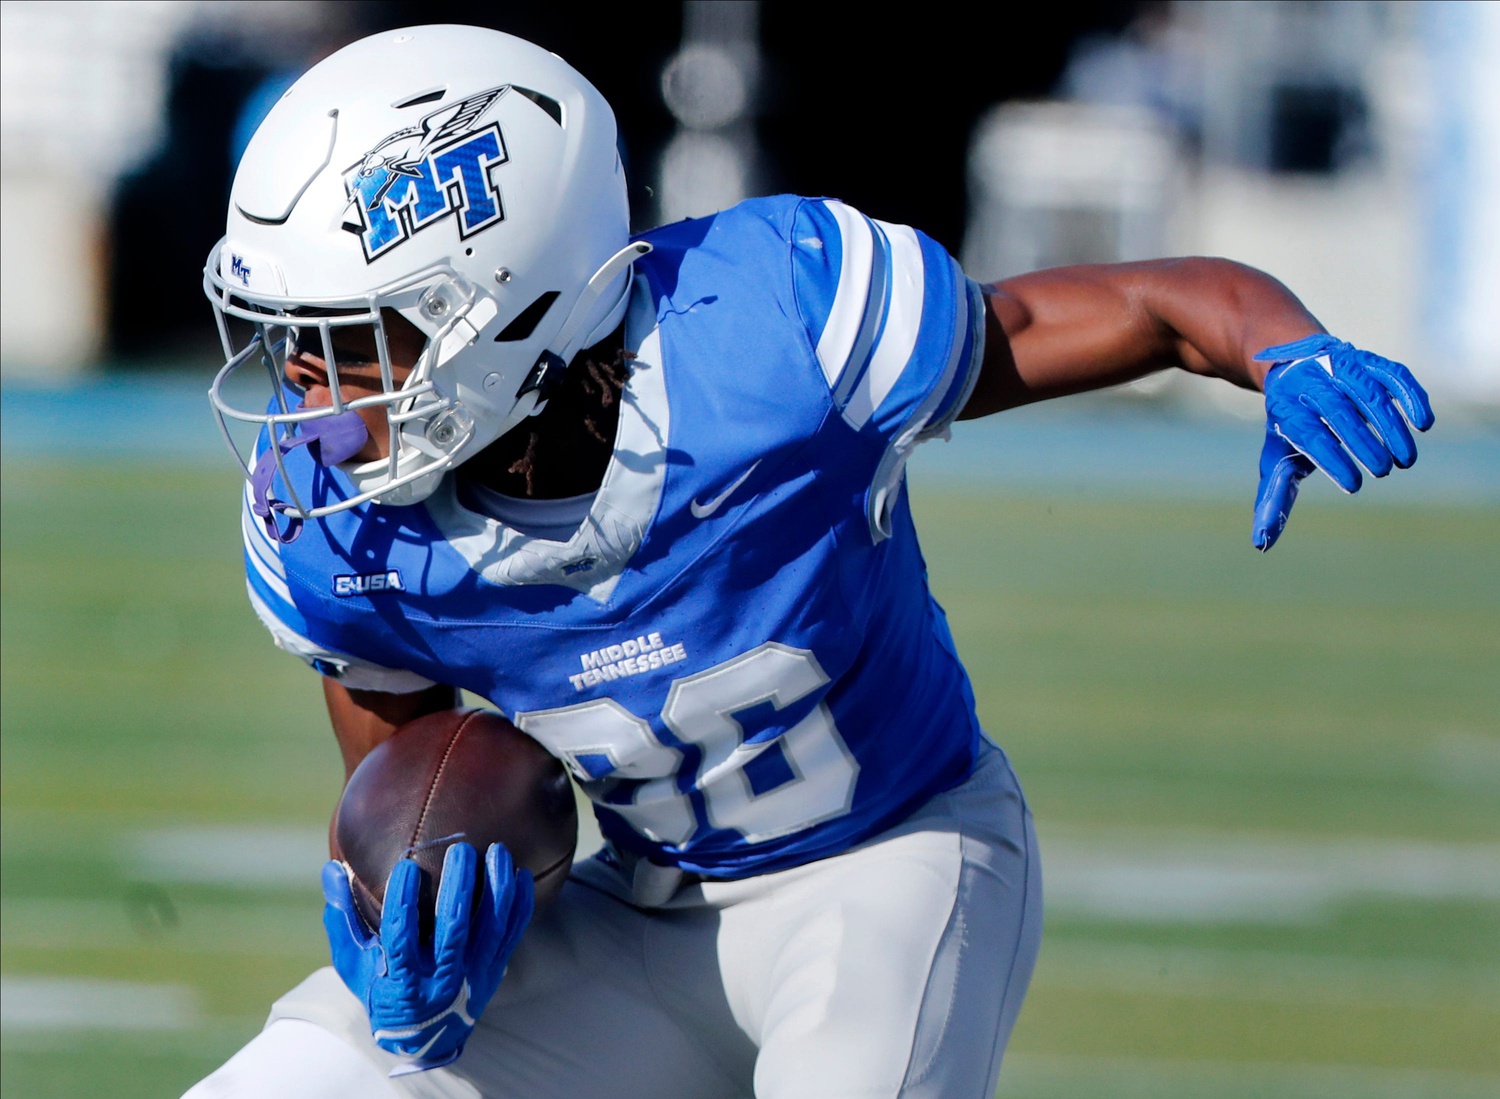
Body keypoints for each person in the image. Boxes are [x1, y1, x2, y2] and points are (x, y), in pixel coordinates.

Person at [187, 24, 1433, 1099]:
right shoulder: (333, 510)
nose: (305, 388)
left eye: (351, 340)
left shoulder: (766, 330)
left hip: (889, 865)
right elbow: (416, 779)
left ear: (501, 300)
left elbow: (1112, 310)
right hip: (637, 911)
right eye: (289, 339)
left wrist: (1281, 345)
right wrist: (417, 938)